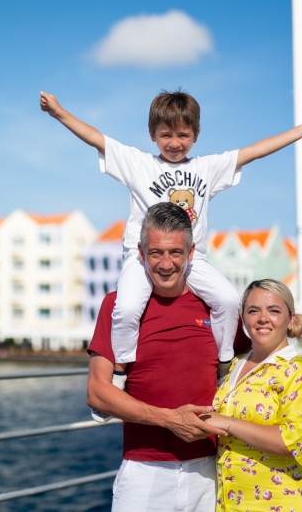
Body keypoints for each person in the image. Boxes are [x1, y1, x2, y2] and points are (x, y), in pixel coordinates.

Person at [41, 89, 302, 420]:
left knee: (229, 299)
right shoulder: (139, 164)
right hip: (143, 259)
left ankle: (223, 367)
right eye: (166, 135)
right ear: (153, 135)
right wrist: (60, 113)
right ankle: (120, 373)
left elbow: (253, 152)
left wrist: (300, 132)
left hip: (191, 260)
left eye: (183, 135)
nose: (174, 143)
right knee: (128, 305)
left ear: (196, 135)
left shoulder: (207, 168)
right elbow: (97, 139)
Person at [87, 202, 233, 511]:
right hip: (143, 473)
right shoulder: (117, 306)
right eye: (156, 253)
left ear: (191, 252)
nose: (166, 264)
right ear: (140, 253)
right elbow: (98, 393)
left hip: (210, 471)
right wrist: (170, 420)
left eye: (175, 253)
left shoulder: (214, 307)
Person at [200, 279, 302, 511]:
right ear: (243, 318)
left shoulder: (298, 371)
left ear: (290, 319)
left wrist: (228, 423)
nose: (262, 318)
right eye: (253, 311)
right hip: (231, 503)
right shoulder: (236, 364)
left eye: (274, 311)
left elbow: (295, 443)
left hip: (283, 503)